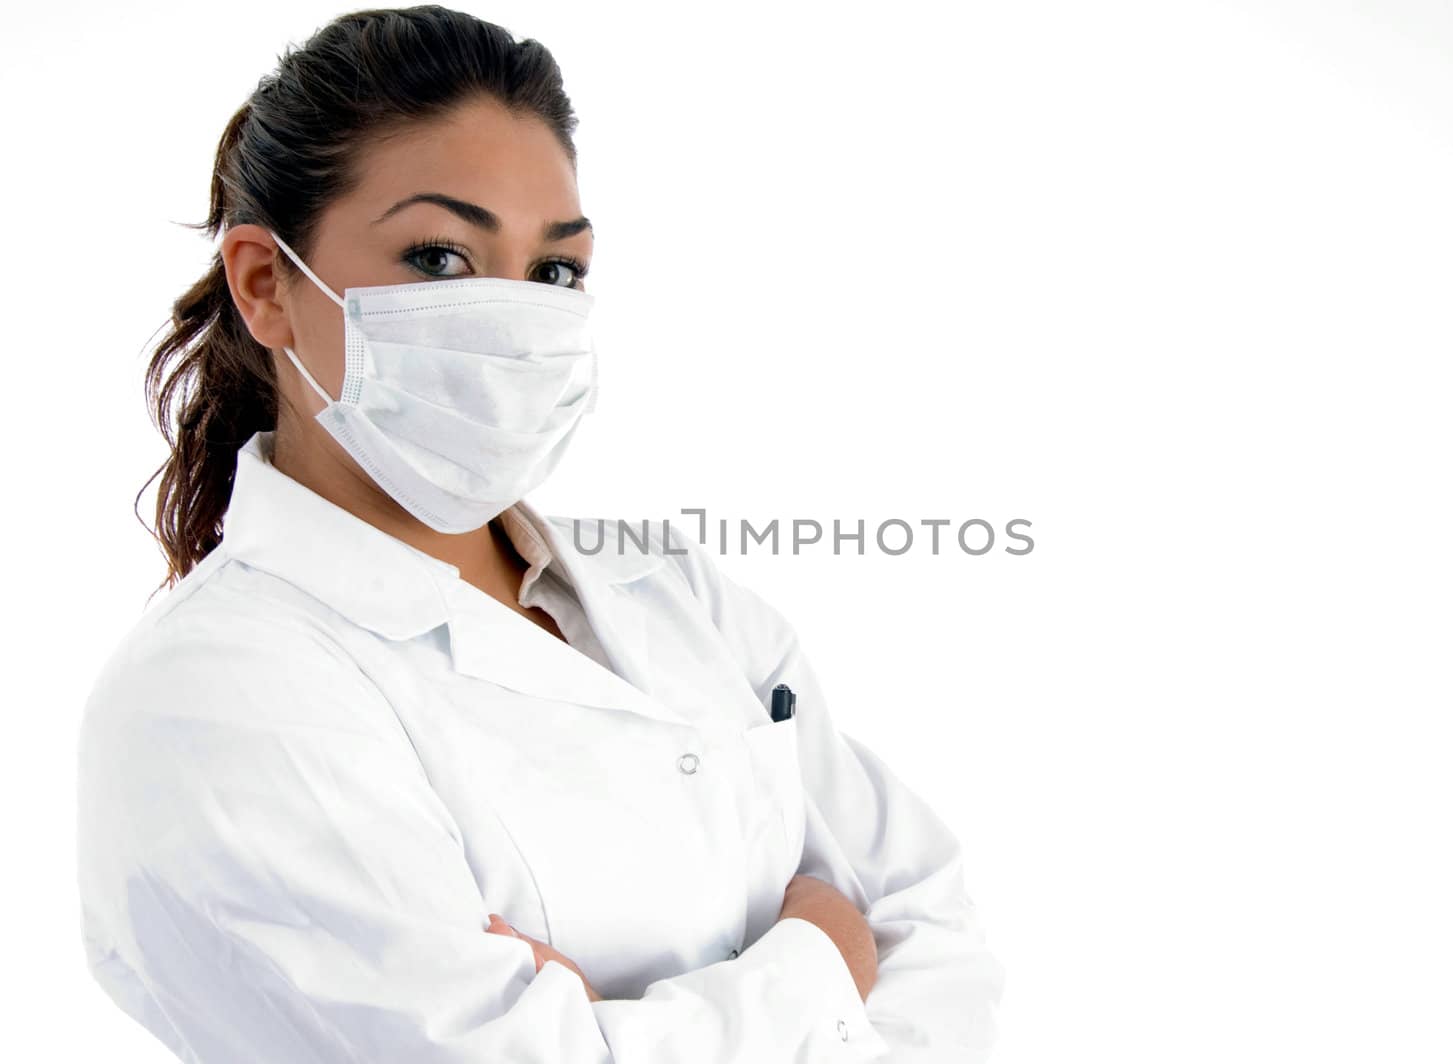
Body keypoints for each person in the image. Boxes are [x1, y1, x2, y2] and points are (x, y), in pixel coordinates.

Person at [76, 6, 1004, 1061]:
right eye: (439, 256)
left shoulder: (670, 589)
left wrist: (613, 1024)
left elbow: (934, 926)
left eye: (553, 272)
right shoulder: (217, 695)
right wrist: (821, 955)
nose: (512, 318)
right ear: (265, 284)